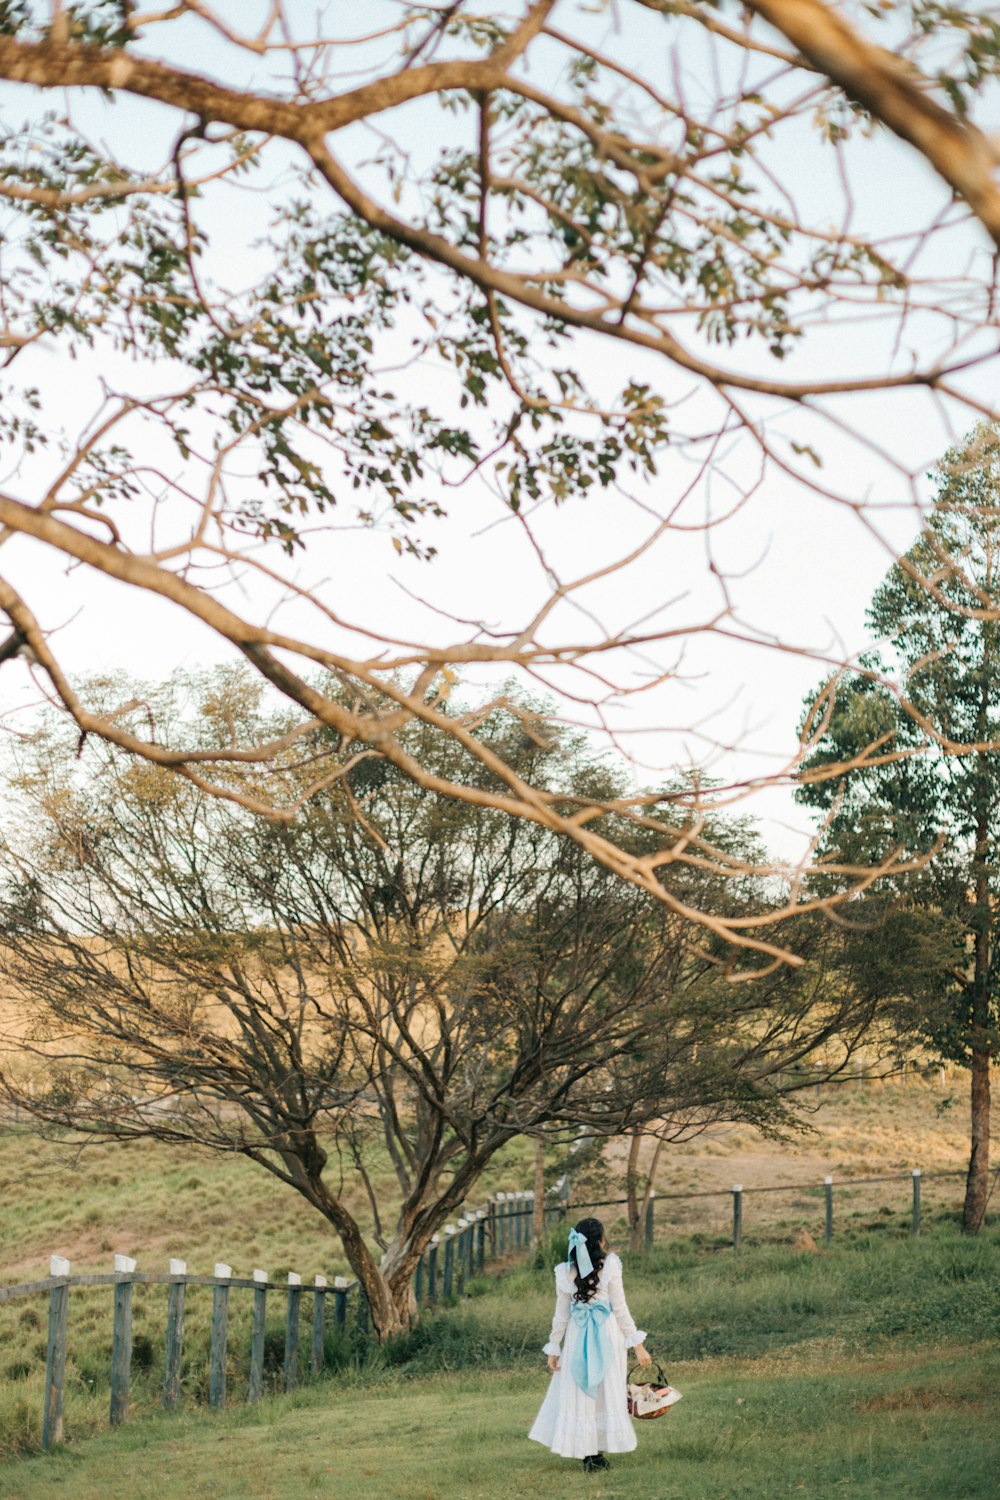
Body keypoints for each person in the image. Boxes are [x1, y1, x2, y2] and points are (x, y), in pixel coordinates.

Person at [528, 1216, 652, 1473]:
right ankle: (595, 1454)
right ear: (600, 1240)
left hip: (577, 1333)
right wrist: (637, 1345)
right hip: (607, 1333)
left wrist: (556, 1345)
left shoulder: (565, 1271)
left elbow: (561, 1314)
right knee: (605, 1390)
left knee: (583, 1391)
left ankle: (590, 1454)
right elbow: (619, 1308)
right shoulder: (610, 1265)